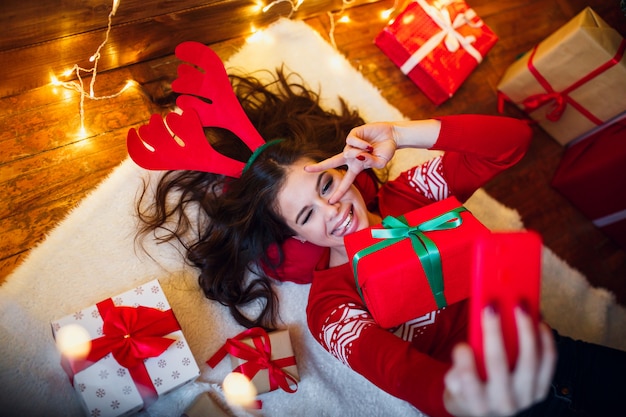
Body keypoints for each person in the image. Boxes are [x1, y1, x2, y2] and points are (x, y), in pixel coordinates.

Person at [131, 59, 626, 417]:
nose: (333, 209)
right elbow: (402, 374)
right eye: (307, 213)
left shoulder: (410, 198)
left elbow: (511, 144)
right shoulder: (330, 306)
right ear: (293, 233)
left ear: (340, 168)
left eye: (326, 183)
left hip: (559, 353)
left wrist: (404, 133)